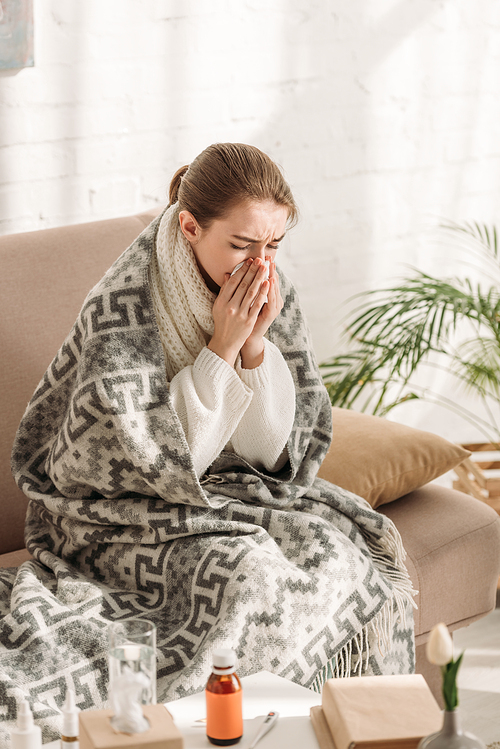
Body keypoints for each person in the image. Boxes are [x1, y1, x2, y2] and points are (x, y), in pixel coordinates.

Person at [6, 143, 416, 745]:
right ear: (190, 226)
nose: (260, 263)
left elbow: (274, 456)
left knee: (333, 551)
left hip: (220, 492)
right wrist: (221, 348)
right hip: (112, 511)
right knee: (251, 578)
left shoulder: (272, 294)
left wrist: (255, 349)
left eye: (273, 245)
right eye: (242, 245)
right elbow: (149, 461)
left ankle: (354, 731)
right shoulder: (121, 310)